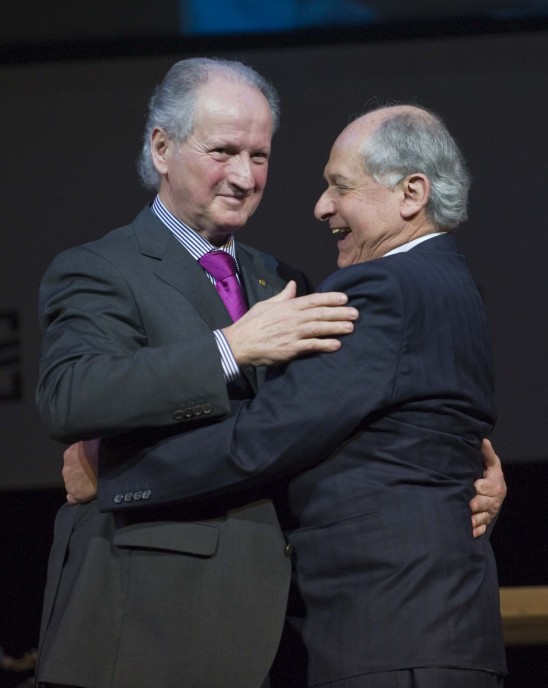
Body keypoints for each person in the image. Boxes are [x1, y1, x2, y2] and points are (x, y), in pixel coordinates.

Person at [66, 104, 508, 687]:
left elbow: (270, 434)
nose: (322, 206)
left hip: (394, 633)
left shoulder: (386, 286)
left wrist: (114, 470)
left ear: (412, 194)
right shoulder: (447, 279)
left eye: (340, 186)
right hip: (426, 631)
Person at [34, 57, 361, 688]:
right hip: (147, 615)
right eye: (223, 151)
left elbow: (321, 425)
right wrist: (229, 349)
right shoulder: (101, 267)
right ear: (162, 148)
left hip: (277, 623)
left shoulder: (281, 279)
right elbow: (71, 395)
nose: (244, 176)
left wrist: (455, 474)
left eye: (259, 156)